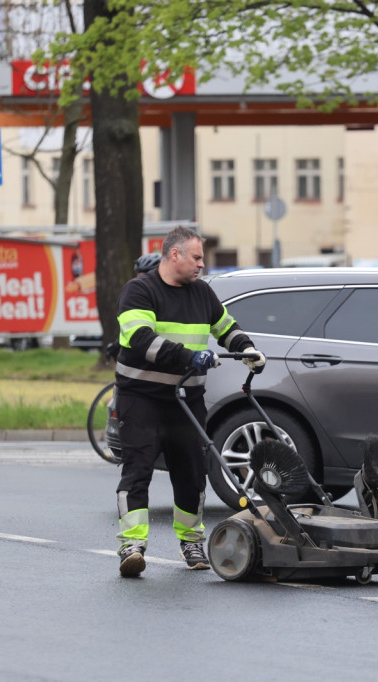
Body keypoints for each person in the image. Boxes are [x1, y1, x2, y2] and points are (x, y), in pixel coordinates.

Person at [114, 226, 265, 577]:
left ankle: (191, 541)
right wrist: (189, 357)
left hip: (186, 400)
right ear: (175, 254)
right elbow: (141, 339)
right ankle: (132, 546)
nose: (202, 264)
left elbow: (226, 327)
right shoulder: (139, 291)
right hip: (142, 399)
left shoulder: (202, 293)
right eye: (196, 257)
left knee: (192, 474)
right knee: (137, 470)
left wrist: (247, 349)